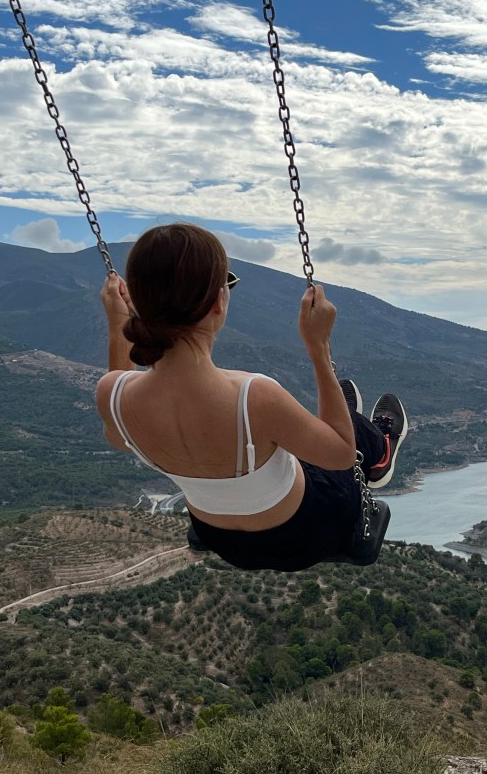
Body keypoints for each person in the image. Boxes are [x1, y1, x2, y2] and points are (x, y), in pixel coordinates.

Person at [96, 223, 407, 571]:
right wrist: (319, 348)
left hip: (223, 539)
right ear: (218, 300)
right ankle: (381, 452)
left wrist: (116, 326)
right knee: (341, 434)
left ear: (136, 302)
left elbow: (121, 435)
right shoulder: (252, 395)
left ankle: (348, 415)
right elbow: (339, 456)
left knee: (287, 434)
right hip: (304, 536)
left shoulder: (111, 394)